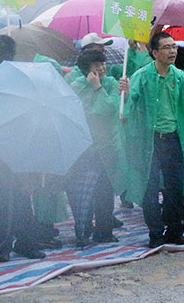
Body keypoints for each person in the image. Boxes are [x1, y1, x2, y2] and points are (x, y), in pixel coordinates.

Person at [121, 32, 184, 248]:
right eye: (167, 48)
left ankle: (175, 232)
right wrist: (127, 93)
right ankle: (155, 234)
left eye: (174, 47)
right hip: (150, 141)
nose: (172, 51)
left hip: (173, 140)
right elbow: (129, 108)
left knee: (176, 188)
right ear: (155, 52)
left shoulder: (180, 77)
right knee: (150, 189)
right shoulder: (142, 76)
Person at [0, 34, 47, 262]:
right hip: (20, 147)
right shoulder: (21, 78)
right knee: (22, 198)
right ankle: (24, 244)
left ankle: (3, 248)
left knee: (2, 201)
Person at [67, 49, 122, 246]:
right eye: (96, 65)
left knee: (105, 191)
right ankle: (83, 229)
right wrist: (95, 90)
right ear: (85, 69)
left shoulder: (111, 83)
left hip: (107, 146)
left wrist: (98, 88)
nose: (101, 67)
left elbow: (110, 109)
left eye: (102, 63)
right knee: (83, 192)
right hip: (85, 148)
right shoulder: (76, 86)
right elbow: (88, 115)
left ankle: (104, 231)